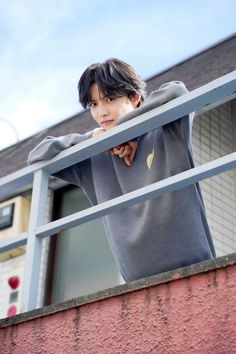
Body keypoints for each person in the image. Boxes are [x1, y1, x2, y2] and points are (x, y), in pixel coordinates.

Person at [28, 58, 216, 282]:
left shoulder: (165, 129)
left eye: (110, 99)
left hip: (196, 269)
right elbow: (37, 154)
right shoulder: (93, 155)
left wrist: (126, 131)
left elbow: (176, 91)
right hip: (136, 284)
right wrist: (93, 138)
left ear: (135, 98)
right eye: (94, 104)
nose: (101, 113)